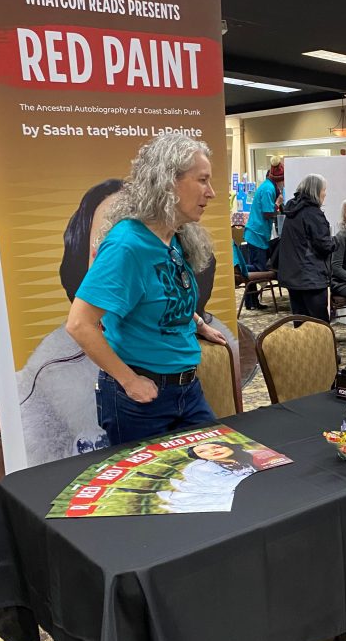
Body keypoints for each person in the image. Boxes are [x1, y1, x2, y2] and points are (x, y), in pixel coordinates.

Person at [66, 133, 227, 449]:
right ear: (168, 182)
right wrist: (130, 381)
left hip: (186, 389)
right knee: (149, 492)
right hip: (141, 400)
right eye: (203, 180)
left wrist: (197, 322)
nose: (212, 192)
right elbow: (79, 324)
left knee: (212, 476)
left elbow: (163, 293)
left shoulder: (173, 236)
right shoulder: (127, 245)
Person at [277, 173, 334, 321]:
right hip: (311, 277)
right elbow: (324, 245)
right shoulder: (313, 213)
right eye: (323, 189)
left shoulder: (292, 210)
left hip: (293, 276)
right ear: (316, 190)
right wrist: (337, 242)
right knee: (319, 324)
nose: (325, 193)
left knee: (300, 322)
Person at [243, 156, 283, 309]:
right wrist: (278, 204)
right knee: (259, 268)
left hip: (259, 234)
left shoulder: (271, 187)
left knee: (258, 267)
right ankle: (242, 268)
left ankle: (252, 302)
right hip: (256, 234)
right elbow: (267, 213)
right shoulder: (268, 189)